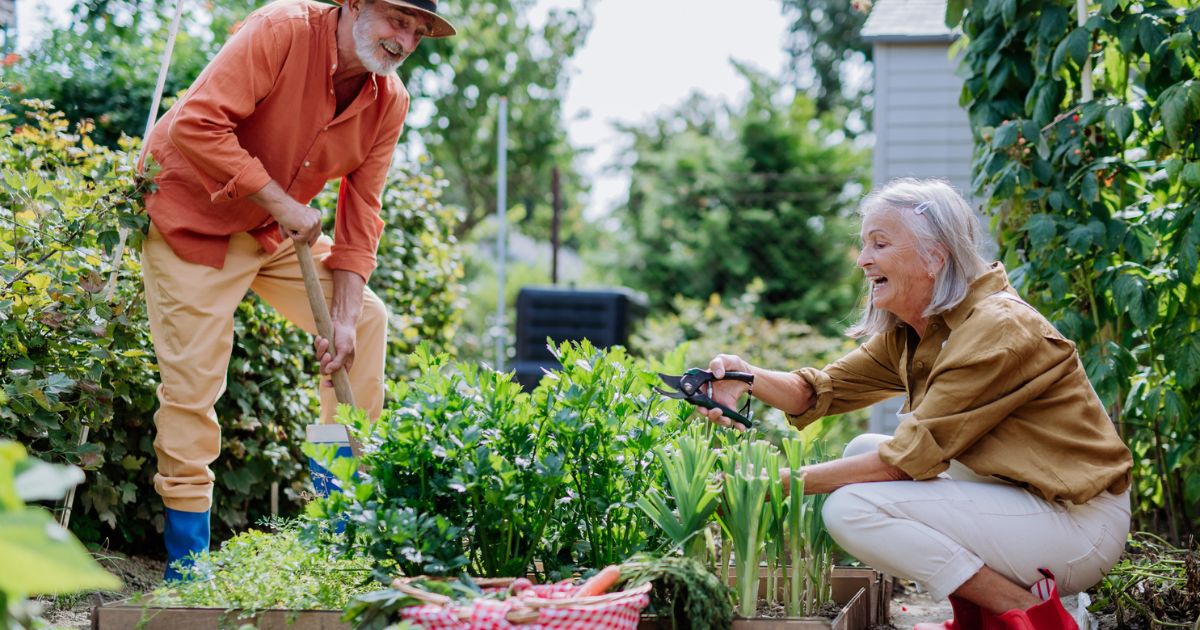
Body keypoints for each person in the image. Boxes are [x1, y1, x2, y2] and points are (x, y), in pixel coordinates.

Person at [703, 178, 1132, 629]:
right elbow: (818, 391)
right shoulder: (918, 330)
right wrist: (742, 376)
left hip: (1078, 526)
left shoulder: (996, 328)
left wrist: (774, 483)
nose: (863, 259)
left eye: (880, 243)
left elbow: (904, 462)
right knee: (859, 452)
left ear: (935, 256)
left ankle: (1033, 616)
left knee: (850, 509)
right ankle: (989, 613)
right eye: (865, 244)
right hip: (1027, 500)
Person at [139, 0, 456, 580]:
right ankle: (188, 564)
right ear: (355, 5)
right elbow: (195, 122)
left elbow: (362, 215)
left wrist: (340, 313)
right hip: (190, 217)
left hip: (265, 231)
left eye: (418, 30)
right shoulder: (281, 30)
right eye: (396, 19)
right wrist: (284, 203)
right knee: (194, 379)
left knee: (363, 320)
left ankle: (338, 523)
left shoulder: (390, 101)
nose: (404, 39)